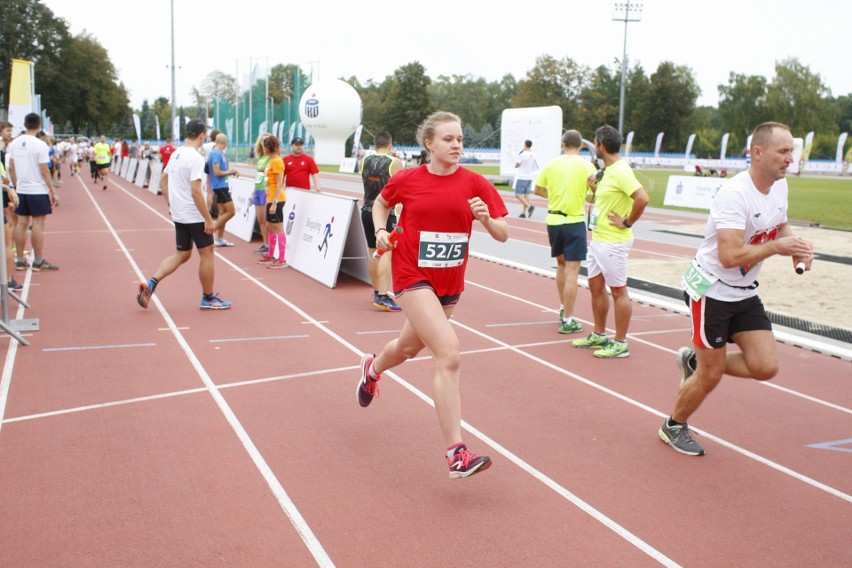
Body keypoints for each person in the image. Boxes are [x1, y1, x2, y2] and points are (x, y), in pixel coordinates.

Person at [356, 111, 509, 479]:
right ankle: (456, 453)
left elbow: (503, 233)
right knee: (449, 352)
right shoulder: (408, 179)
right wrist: (380, 229)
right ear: (429, 144)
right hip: (412, 275)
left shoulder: (475, 183)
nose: (457, 145)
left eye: (460, 139)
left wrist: (486, 219)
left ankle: (372, 368)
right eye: (448, 139)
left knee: (407, 348)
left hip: (449, 285)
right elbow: (380, 202)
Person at [659, 122, 814, 456]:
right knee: (711, 374)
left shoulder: (779, 187)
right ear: (757, 153)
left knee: (765, 366)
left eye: (792, 151)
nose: (790, 158)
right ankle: (673, 425)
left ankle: (696, 362)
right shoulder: (734, 194)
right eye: (783, 151)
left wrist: (795, 244)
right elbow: (729, 256)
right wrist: (777, 248)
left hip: (743, 292)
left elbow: (779, 223)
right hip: (711, 290)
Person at [136, 118, 232, 311]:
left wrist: (170, 204)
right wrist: (208, 219)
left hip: (180, 214)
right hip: (194, 214)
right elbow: (196, 191)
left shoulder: (177, 153)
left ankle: (152, 282)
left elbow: (163, 181)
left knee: (183, 254)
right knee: (207, 255)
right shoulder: (196, 158)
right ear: (202, 135)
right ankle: (208, 297)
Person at [571, 124, 649, 358]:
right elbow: (607, 198)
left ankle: (621, 342)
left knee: (618, 291)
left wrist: (627, 222)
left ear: (600, 145)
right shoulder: (608, 170)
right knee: (595, 286)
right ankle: (599, 334)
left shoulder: (621, 171)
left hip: (614, 241)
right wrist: (594, 188)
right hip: (599, 238)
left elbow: (642, 198)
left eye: (594, 142)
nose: (593, 146)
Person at [534, 130, 598, 335]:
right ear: (580, 146)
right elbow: (597, 193)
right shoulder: (588, 165)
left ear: (563, 144)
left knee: (561, 265)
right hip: (574, 221)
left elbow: (537, 189)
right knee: (572, 271)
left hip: (553, 221)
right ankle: (568, 319)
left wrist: (553, 197)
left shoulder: (552, 164)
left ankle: (563, 309)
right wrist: (583, 197)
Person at [7, 113, 60, 272]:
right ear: (38, 126)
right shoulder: (40, 145)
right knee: (38, 224)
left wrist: (16, 187)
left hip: (22, 189)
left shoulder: (14, 143)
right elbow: (44, 170)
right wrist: (53, 191)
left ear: (25, 124)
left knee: (21, 223)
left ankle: (21, 260)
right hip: (37, 189)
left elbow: (11, 167)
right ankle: (38, 260)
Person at [360, 131, 404, 312]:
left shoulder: (364, 161)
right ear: (390, 145)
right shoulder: (395, 162)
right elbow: (403, 187)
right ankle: (384, 295)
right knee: (386, 253)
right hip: (385, 212)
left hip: (366, 210)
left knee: (372, 251)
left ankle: (377, 291)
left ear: (375, 144)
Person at [256, 135, 288, 269]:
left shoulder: (277, 162)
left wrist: (274, 202)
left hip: (277, 199)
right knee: (269, 227)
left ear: (269, 147)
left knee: (278, 228)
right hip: (270, 198)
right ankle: (270, 255)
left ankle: (282, 260)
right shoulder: (270, 160)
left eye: (264, 146)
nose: (262, 148)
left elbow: (280, 183)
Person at [207, 133, 239, 247]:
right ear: (224, 143)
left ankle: (219, 239)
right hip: (220, 186)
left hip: (222, 185)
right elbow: (217, 172)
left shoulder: (219, 153)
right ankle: (209, 232)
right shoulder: (216, 153)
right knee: (231, 212)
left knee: (223, 212)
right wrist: (231, 171)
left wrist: (229, 171)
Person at [251, 133, 272, 255]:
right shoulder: (261, 158)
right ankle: (265, 244)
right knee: (260, 220)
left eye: (267, 142)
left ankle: (271, 245)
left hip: (266, 190)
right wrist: (253, 192)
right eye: (263, 142)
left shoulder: (271, 158)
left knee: (267, 219)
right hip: (258, 189)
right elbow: (258, 176)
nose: (264, 144)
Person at [514, 139, 538, 218]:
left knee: (517, 195)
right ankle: (523, 213)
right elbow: (535, 167)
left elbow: (517, 164)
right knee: (526, 195)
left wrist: (517, 165)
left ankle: (530, 206)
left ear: (525, 145)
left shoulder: (523, 154)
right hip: (529, 177)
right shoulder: (533, 155)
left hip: (522, 177)